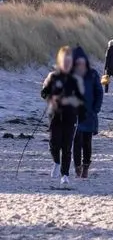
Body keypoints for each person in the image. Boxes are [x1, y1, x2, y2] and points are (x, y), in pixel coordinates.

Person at [40, 47, 85, 186]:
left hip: (70, 117)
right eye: (64, 60)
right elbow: (43, 93)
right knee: (54, 144)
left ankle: (65, 175)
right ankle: (56, 162)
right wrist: (51, 98)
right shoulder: (52, 76)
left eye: (68, 61)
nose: (66, 63)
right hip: (54, 116)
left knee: (66, 147)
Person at [71, 46, 103, 179]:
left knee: (87, 142)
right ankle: (77, 167)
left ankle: (85, 167)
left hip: (89, 113)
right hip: (75, 114)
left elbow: (99, 92)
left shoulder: (93, 74)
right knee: (76, 142)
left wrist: (95, 109)